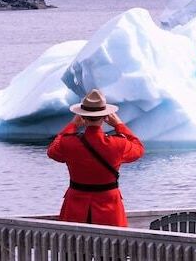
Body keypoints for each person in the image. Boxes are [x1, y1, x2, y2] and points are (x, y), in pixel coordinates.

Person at [47, 88, 144, 227]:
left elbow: (52, 151)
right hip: (109, 207)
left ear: (82, 117)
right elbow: (139, 149)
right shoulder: (118, 144)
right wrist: (119, 125)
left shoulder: (68, 143)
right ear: (105, 117)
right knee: (112, 246)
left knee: (74, 246)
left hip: (76, 206)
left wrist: (72, 125)